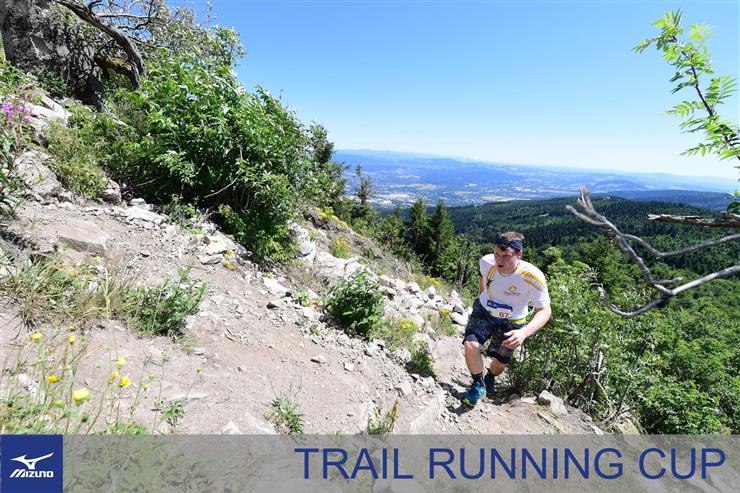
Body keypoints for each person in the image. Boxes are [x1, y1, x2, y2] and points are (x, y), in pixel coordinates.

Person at [461, 231, 551, 406]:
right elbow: (482, 278)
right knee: (471, 344)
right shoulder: (486, 262)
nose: (499, 260)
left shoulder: (532, 276)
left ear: (519, 254)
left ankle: (490, 376)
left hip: (513, 321)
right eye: (496, 253)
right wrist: (483, 298)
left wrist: (523, 333)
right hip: (485, 311)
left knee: (499, 364)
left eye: (506, 256)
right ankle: (478, 384)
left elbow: (545, 310)